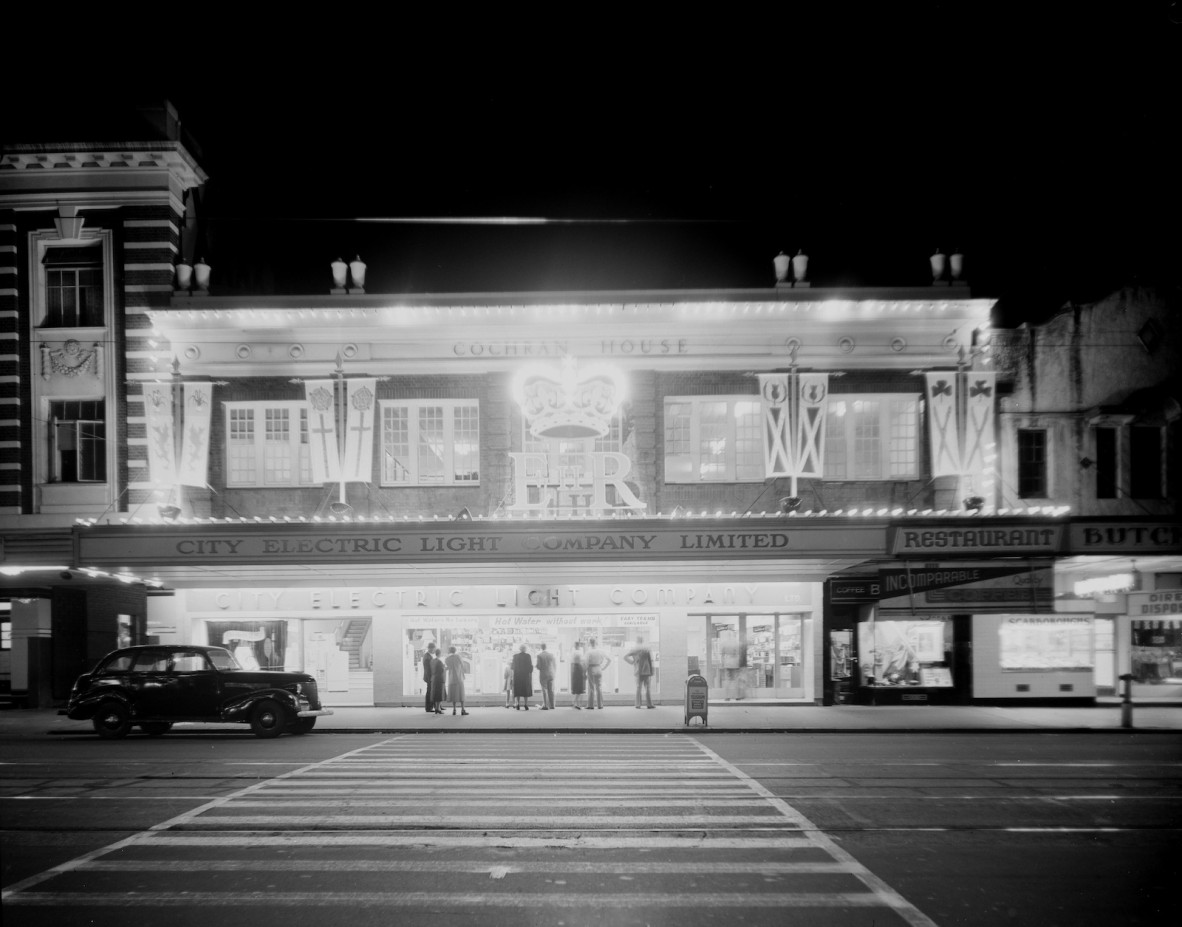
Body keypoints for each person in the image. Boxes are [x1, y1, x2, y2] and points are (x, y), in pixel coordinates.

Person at [623, 635, 656, 708]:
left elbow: (625, 657)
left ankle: (638, 704)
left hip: (638, 670)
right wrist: (652, 670)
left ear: (637, 641)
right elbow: (650, 660)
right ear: (642, 640)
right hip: (647, 670)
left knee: (638, 688)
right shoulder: (646, 649)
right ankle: (649, 704)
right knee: (647, 688)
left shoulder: (634, 649)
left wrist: (632, 662)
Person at [585, 637, 611, 709]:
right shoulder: (601, 651)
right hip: (599, 668)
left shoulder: (589, 652)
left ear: (590, 643)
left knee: (591, 688)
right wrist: (604, 668)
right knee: (599, 687)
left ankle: (590, 705)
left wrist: (584, 672)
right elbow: (609, 660)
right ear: (596, 642)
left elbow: (586, 663)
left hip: (591, 668)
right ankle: (600, 705)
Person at [444, 646, 468, 715]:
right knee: (461, 694)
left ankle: (454, 710)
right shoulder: (458, 657)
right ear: (455, 650)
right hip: (459, 678)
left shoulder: (447, 659)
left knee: (453, 694)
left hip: (451, 678)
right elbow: (462, 665)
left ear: (449, 651)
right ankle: (462, 710)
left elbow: (448, 667)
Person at [511, 643, 534, 710]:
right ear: (525, 649)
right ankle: (525, 705)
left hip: (517, 676)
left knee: (518, 690)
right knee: (525, 690)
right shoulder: (528, 656)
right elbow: (530, 667)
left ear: (519, 649)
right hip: (525, 676)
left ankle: (517, 704)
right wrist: (530, 673)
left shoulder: (515, 656)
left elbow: (512, 667)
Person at [535, 642, 557, 710]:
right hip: (551, 674)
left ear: (541, 647)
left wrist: (536, 666)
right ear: (546, 647)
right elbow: (554, 665)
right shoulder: (551, 655)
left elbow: (539, 666)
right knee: (551, 690)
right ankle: (552, 705)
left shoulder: (539, 655)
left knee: (544, 690)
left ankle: (545, 705)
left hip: (544, 674)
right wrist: (553, 672)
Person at [570, 640, 587, 709]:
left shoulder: (573, 652)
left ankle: (575, 703)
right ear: (579, 645)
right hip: (579, 669)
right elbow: (583, 660)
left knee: (576, 686)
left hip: (575, 669)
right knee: (579, 687)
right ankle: (577, 704)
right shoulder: (579, 652)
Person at [430, 646, 446, 714]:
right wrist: (444, 667)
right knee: (439, 694)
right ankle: (438, 709)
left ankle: (437, 708)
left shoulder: (432, 661)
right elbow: (441, 671)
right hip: (439, 679)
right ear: (440, 654)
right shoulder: (439, 662)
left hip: (433, 678)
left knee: (435, 694)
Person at [422, 643, 437, 714]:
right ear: (431, 648)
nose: (435, 650)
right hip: (429, 677)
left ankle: (431, 706)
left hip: (430, 677)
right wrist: (430, 678)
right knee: (429, 692)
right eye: (434, 648)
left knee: (430, 692)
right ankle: (428, 708)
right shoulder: (427, 657)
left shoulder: (428, 656)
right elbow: (427, 669)